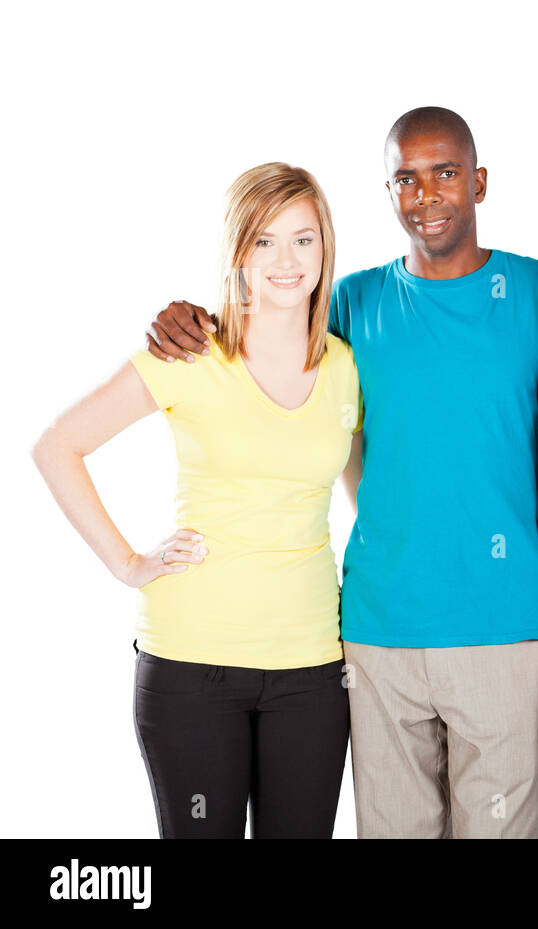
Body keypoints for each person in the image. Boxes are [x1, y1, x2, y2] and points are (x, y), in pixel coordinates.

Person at [143, 108, 538, 838]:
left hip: (508, 628)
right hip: (377, 631)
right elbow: (271, 340)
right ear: (388, 192)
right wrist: (197, 312)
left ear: (479, 182)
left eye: (446, 173)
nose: (426, 194)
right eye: (407, 178)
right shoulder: (353, 301)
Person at [32, 163, 360, 838]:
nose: (285, 260)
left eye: (303, 238)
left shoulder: (346, 366)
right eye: (263, 241)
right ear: (237, 253)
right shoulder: (188, 352)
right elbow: (57, 447)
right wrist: (128, 563)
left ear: (326, 246)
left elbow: (371, 491)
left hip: (313, 670)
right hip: (191, 668)